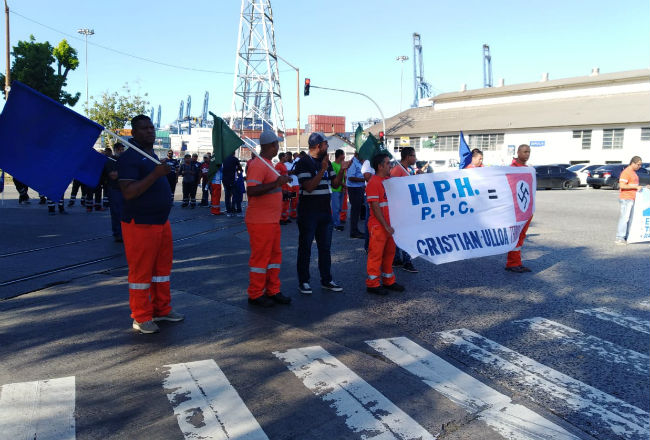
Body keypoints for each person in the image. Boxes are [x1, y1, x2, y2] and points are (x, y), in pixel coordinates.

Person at [118, 115, 184, 334]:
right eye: (144, 128)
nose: (150, 131)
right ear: (133, 133)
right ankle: (141, 316)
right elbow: (128, 192)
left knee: (161, 270)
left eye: (151, 127)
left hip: (160, 222)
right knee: (141, 272)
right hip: (140, 223)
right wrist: (156, 174)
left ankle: (161, 309)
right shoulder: (130, 158)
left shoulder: (150, 155)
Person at [294, 133, 348, 295]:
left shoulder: (328, 163)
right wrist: (322, 169)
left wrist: (342, 171)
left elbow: (335, 183)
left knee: (325, 248)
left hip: (325, 212)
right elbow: (309, 187)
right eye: (325, 144)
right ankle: (304, 281)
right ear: (318, 146)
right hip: (308, 213)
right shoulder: (303, 163)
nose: (328, 147)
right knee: (305, 248)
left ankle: (327, 280)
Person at [245, 130, 292, 307]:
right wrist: (277, 183)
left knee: (273, 257)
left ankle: (272, 290)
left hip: (270, 220)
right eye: (277, 144)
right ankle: (256, 294)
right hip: (260, 221)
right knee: (261, 258)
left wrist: (279, 183)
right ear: (271, 145)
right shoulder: (258, 165)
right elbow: (251, 190)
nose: (278, 147)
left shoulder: (267, 164)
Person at [366, 152, 405, 295]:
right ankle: (372, 284)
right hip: (379, 226)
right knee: (376, 255)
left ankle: (388, 281)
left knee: (389, 254)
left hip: (389, 226)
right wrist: (386, 226)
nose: (391, 166)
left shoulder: (389, 181)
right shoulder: (373, 182)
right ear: (380, 166)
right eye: (388, 163)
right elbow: (375, 207)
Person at [389, 147, 419, 273]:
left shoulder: (406, 169)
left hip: (405, 207)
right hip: (400, 208)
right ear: (407, 157)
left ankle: (397, 259)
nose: (415, 158)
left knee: (400, 233)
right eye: (413, 155)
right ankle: (406, 262)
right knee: (405, 234)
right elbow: (391, 187)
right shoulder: (397, 169)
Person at [505, 144, 533, 273]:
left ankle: (517, 262)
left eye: (529, 152)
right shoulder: (512, 169)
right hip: (515, 210)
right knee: (515, 236)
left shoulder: (527, 169)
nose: (527, 154)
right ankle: (512, 263)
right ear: (518, 152)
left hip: (525, 209)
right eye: (525, 152)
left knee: (521, 236)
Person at [616, 156, 648, 244]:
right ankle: (620, 237)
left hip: (632, 198)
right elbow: (622, 185)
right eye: (638, 164)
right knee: (624, 218)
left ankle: (626, 236)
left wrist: (644, 187)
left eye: (640, 164)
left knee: (630, 219)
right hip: (626, 198)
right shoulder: (626, 172)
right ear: (633, 163)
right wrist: (635, 187)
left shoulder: (633, 173)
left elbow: (634, 186)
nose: (640, 166)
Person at [105, 143, 125, 242]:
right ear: (116, 150)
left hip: (124, 189)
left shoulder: (122, 160)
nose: (122, 151)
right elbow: (113, 175)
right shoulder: (111, 161)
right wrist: (125, 171)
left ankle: (124, 232)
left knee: (125, 212)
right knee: (117, 212)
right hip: (115, 190)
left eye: (123, 149)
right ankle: (117, 233)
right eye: (121, 150)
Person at [346, 151, 365, 239]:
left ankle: (355, 230)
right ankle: (353, 231)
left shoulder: (358, 162)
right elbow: (350, 177)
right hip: (354, 189)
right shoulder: (353, 163)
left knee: (357, 210)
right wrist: (364, 180)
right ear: (357, 154)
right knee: (355, 210)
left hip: (359, 188)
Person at [222, 152, 242, 217]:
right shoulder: (235, 159)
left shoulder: (224, 159)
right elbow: (240, 168)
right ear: (234, 153)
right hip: (232, 180)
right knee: (236, 195)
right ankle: (236, 209)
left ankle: (228, 211)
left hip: (225, 180)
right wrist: (238, 170)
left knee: (227, 196)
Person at [330, 149, 346, 231]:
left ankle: (337, 222)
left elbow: (343, 177)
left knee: (339, 208)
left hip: (341, 189)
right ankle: (336, 224)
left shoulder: (341, 165)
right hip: (335, 189)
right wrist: (344, 185)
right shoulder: (333, 165)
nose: (344, 156)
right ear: (340, 155)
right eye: (343, 154)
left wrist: (344, 186)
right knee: (335, 208)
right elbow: (335, 179)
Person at [274, 152, 291, 225]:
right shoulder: (278, 166)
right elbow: (277, 177)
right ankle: (280, 219)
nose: (286, 158)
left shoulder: (284, 165)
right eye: (285, 156)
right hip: (283, 187)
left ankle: (285, 217)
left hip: (287, 187)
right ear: (282, 157)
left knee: (287, 202)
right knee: (282, 203)